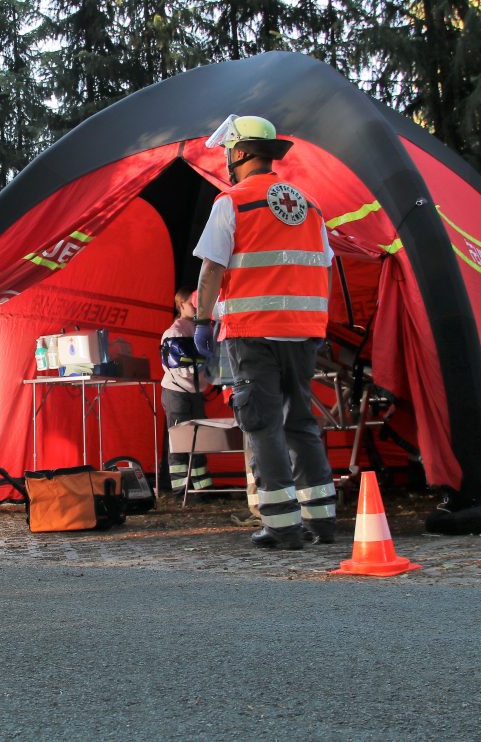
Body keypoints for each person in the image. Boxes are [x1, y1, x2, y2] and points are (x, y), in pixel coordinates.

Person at [192, 114, 337, 550]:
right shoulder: (310, 206)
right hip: (304, 332)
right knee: (301, 425)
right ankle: (323, 521)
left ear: (239, 152)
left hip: (253, 333)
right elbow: (324, 266)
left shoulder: (232, 202)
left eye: (227, 154)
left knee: (263, 425)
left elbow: (212, 268)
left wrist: (201, 321)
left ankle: (282, 526)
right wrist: (315, 323)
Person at [160, 288, 214, 497]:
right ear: (181, 305)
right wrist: (201, 370)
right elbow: (176, 367)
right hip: (177, 392)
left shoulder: (201, 328)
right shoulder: (173, 333)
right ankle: (181, 490)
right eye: (193, 304)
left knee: (199, 438)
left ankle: (202, 489)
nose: (197, 308)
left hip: (194, 391)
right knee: (180, 439)